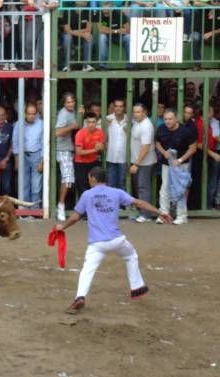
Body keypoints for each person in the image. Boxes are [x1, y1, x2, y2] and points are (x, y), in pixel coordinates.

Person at [57, 167, 172, 314]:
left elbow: (75, 217)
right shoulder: (116, 192)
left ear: (92, 178)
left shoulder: (87, 194)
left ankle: (80, 297)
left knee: (87, 270)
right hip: (117, 240)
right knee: (131, 256)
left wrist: (62, 227)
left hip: (97, 244)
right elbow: (138, 203)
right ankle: (137, 287)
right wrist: (159, 212)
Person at [154, 109, 197, 225]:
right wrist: (163, 153)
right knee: (164, 189)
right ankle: (164, 214)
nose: (167, 121)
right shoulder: (161, 128)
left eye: (170, 119)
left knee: (181, 189)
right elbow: (157, 143)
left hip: (182, 165)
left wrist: (180, 159)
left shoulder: (186, 131)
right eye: (165, 119)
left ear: (176, 119)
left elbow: (193, 148)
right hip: (166, 164)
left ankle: (182, 216)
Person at [129, 103, 157, 223]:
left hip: (144, 163)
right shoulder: (137, 122)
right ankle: (142, 212)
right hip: (138, 161)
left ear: (144, 112)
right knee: (139, 187)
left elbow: (145, 147)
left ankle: (146, 215)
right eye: (134, 112)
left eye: (138, 112)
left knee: (143, 187)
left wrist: (136, 164)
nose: (136, 114)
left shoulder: (146, 126)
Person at [13, 103, 43, 206]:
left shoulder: (41, 124)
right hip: (23, 156)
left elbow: (44, 143)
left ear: (37, 114)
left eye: (34, 114)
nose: (32, 116)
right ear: (25, 113)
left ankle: (35, 211)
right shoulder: (18, 124)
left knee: (36, 186)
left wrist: (42, 161)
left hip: (37, 155)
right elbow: (15, 142)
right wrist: (17, 160)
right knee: (24, 185)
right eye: (29, 114)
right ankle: (24, 211)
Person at [55, 92, 79, 221]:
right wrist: (72, 126)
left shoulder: (72, 112)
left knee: (68, 179)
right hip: (62, 149)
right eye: (68, 102)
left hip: (69, 148)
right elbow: (57, 132)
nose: (71, 104)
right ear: (64, 103)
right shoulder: (64, 113)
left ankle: (63, 204)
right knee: (68, 178)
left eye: (72, 101)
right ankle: (61, 205)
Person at [74, 112, 105, 198]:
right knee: (82, 188)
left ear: (97, 122)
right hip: (81, 163)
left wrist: (101, 147)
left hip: (93, 162)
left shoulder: (100, 132)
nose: (91, 124)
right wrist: (95, 150)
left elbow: (102, 147)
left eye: (93, 122)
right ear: (86, 123)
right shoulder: (80, 133)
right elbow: (79, 152)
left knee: (95, 187)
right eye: (89, 122)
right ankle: (84, 210)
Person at [105, 99, 128, 190]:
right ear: (113, 107)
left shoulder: (129, 120)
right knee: (111, 184)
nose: (118, 108)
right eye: (116, 106)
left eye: (121, 106)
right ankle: (112, 204)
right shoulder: (108, 119)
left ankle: (122, 204)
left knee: (122, 184)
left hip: (124, 157)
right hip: (111, 157)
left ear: (124, 108)